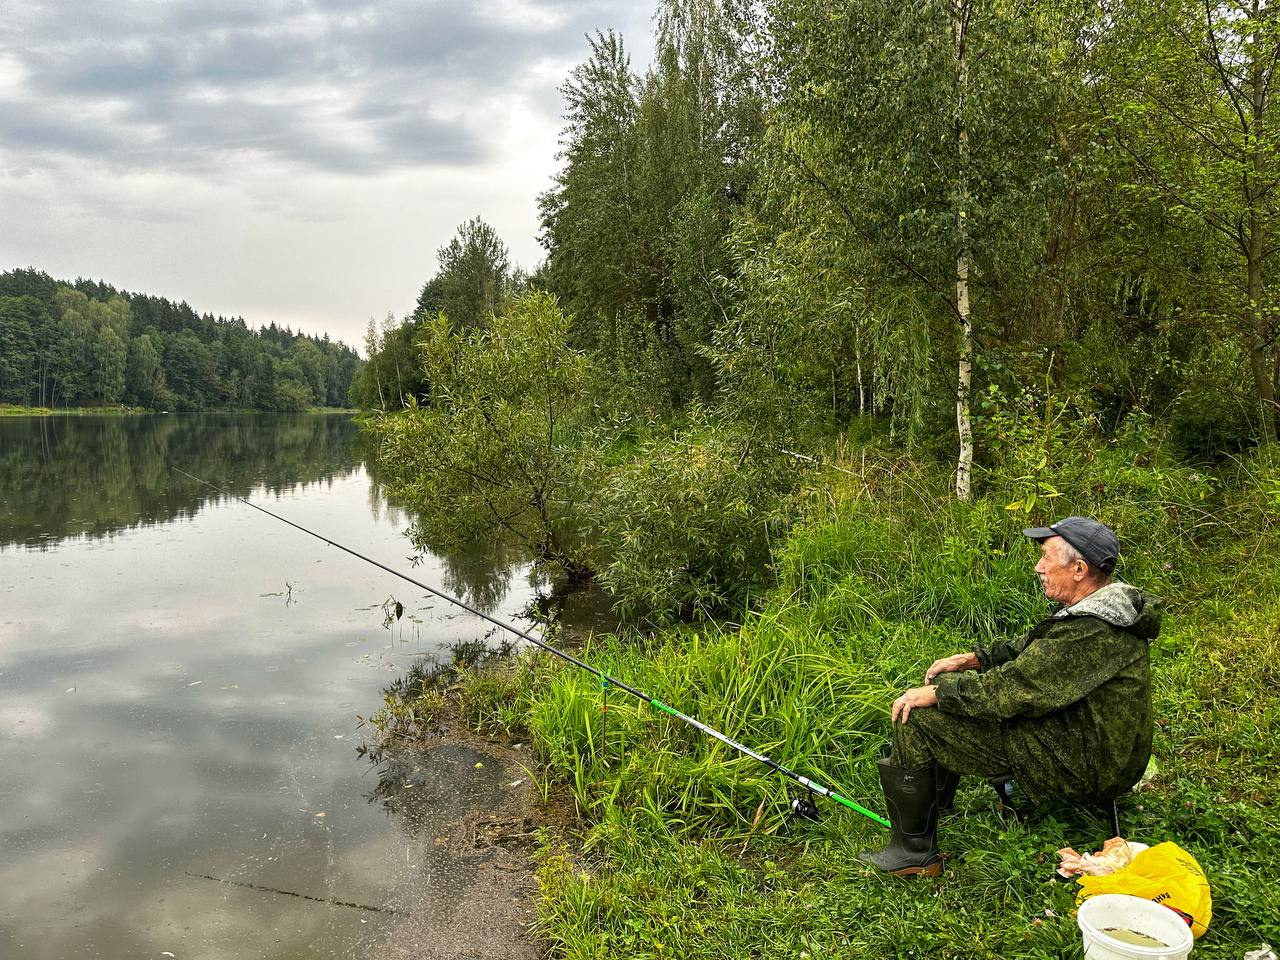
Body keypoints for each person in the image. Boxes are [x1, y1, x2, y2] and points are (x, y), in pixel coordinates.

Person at [858, 516, 1161, 877]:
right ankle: (932, 804)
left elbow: (1010, 692)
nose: (1038, 568)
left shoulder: (1091, 630)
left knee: (918, 716)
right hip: (1099, 747)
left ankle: (914, 854)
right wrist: (976, 659)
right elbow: (1038, 650)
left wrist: (940, 692)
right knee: (945, 697)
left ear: (1079, 569)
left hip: (1087, 766)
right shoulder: (1107, 610)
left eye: (1046, 558)